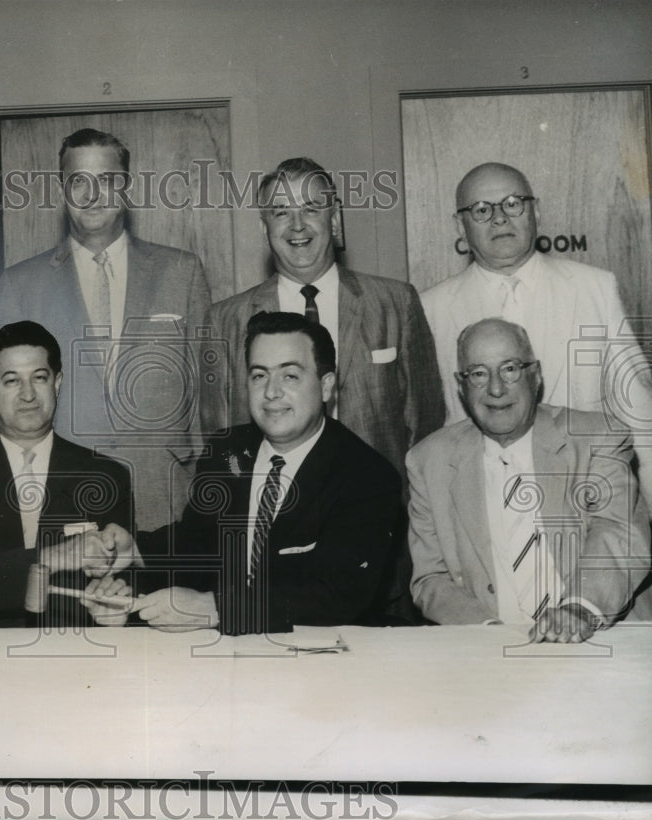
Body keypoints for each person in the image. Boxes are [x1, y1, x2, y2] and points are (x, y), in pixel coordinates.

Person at [118, 311, 403, 634]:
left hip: (317, 660)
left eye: (290, 376)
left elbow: (338, 595)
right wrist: (134, 558)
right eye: (259, 376)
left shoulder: (368, 477)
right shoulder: (225, 450)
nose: (271, 392)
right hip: (220, 653)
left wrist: (215, 608)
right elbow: (196, 544)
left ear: (326, 386)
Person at [0, 128, 211, 532]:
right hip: (61, 494)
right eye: (79, 181)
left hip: (164, 496)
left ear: (126, 188)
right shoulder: (20, 285)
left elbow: (208, 395)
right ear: (62, 190)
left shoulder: (181, 272)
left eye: (107, 181)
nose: (92, 195)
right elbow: (8, 408)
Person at [419, 162, 652, 510]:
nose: (500, 218)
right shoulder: (429, 308)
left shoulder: (594, 289)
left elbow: (639, 415)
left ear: (536, 210)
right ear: (460, 226)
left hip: (586, 503)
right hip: (481, 512)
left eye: (513, 203)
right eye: (481, 210)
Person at [407, 318, 651, 642]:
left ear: (535, 375)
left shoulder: (596, 438)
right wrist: (489, 634)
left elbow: (620, 532)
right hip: (490, 649)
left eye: (509, 369)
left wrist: (577, 610)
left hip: (598, 635)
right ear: (461, 385)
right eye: (479, 373)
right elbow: (430, 578)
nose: (496, 389)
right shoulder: (429, 460)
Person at [199, 157, 444, 479]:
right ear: (264, 228)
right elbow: (220, 435)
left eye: (311, 209)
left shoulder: (395, 303)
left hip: (374, 509)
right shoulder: (226, 320)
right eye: (282, 212)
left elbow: (425, 424)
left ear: (336, 220)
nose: (297, 225)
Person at [0, 321, 137, 628]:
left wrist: (112, 597)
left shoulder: (107, 475)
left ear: (57, 384)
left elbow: (122, 577)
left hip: (67, 650)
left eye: (39, 378)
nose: (28, 394)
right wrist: (52, 557)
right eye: (11, 381)